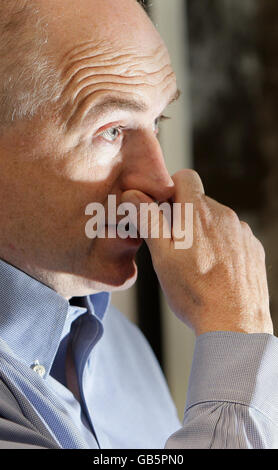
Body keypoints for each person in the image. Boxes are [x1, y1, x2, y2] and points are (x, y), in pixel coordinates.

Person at [0, 0, 277, 449]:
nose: (159, 182)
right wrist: (237, 334)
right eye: (111, 129)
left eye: (157, 121)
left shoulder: (122, 347)